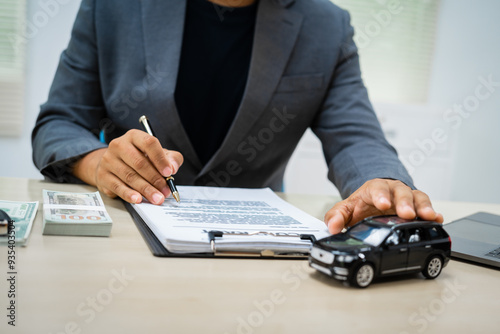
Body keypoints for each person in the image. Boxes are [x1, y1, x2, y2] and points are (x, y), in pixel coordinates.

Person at [31, 0, 443, 234]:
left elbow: (356, 136)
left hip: (258, 245)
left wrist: (381, 184)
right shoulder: (113, 7)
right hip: (127, 233)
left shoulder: (327, 26)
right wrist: (99, 163)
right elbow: (58, 122)